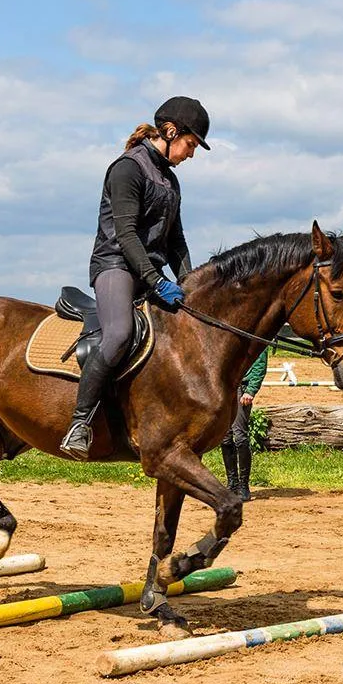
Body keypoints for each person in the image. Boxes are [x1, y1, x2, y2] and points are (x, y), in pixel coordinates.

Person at [59, 96, 211, 459]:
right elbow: (126, 234)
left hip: (148, 271)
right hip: (115, 266)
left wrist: (190, 284)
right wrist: (157, 281)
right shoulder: (128, 168)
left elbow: (176, 241)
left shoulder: (170, 181)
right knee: (119, 334)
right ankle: (80, 424)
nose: (192, 154)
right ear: (171, 132)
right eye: (191, 144)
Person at [221, 347, 269, 502]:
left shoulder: (256, 336)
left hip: (242, 389)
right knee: (225, 438)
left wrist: (251, 390)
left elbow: (260, 362)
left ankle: (243, 485)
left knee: (240, 436)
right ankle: (232, 483)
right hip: (225, 388)